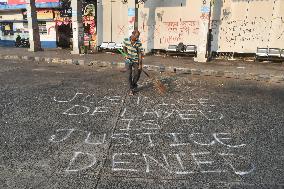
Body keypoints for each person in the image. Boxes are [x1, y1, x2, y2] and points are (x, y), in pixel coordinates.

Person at [123, 30, 143, 96]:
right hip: (128, 60)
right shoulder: (126, 40)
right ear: (132, 34)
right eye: (136, 36)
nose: (137, 38)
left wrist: (140, 64)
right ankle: (131, 89)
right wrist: (126, 54)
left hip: (135, 60)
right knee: (129, 75)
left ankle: (133, 84)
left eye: (138, 37)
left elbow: (140, 53)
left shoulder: (138, 42)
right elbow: (124, 47)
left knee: (137, 73)